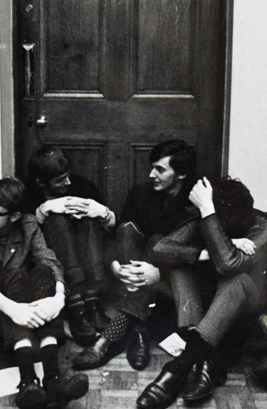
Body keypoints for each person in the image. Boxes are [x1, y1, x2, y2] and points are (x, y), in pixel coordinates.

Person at [136, 176, 267, 409]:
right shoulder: (205, 218)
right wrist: (207, 250)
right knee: (180, 267)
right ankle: (201, 361)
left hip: (247, 305)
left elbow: (228, 264)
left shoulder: (261, 227)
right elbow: (160, 250)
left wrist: (209, 212)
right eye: (212, 219)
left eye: (215, 218)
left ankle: (177, 369)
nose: (214, 225)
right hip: (210, 306)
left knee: (237, 280)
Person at [0, 177, 90, 409]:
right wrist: (13, 309)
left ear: (15, 216)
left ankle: (50, 381)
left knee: (41, 271)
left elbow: (48, 259)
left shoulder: (28, 225)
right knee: (15, 275)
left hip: (24, 311)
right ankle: (29, 380)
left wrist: (58, 298)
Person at [72, 139, 199, 371]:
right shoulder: (140, 194)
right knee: (127, 229)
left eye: (160, 169)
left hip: (168, 285)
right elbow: (120, 240)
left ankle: (106, 341)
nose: (151, 174)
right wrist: (116, 266)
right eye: (152, 167)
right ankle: (139, 331)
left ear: (181, 174)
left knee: (156, 241)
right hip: (136, 281)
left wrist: (158, 273)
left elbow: (193, 257)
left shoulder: (193, 204)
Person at [22, 146, 116, 344]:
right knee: (57, 221)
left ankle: (92, 302)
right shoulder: (27, 193)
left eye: (67, 175)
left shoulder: (82, 187)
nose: (68, 182)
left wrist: (103, 213)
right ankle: (76, 308)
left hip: (87, 261)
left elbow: (111, 229)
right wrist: (44, 210)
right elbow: (23, 237)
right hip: (51, 267)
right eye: (60, 180)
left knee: (89, 218)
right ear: (40, 182)